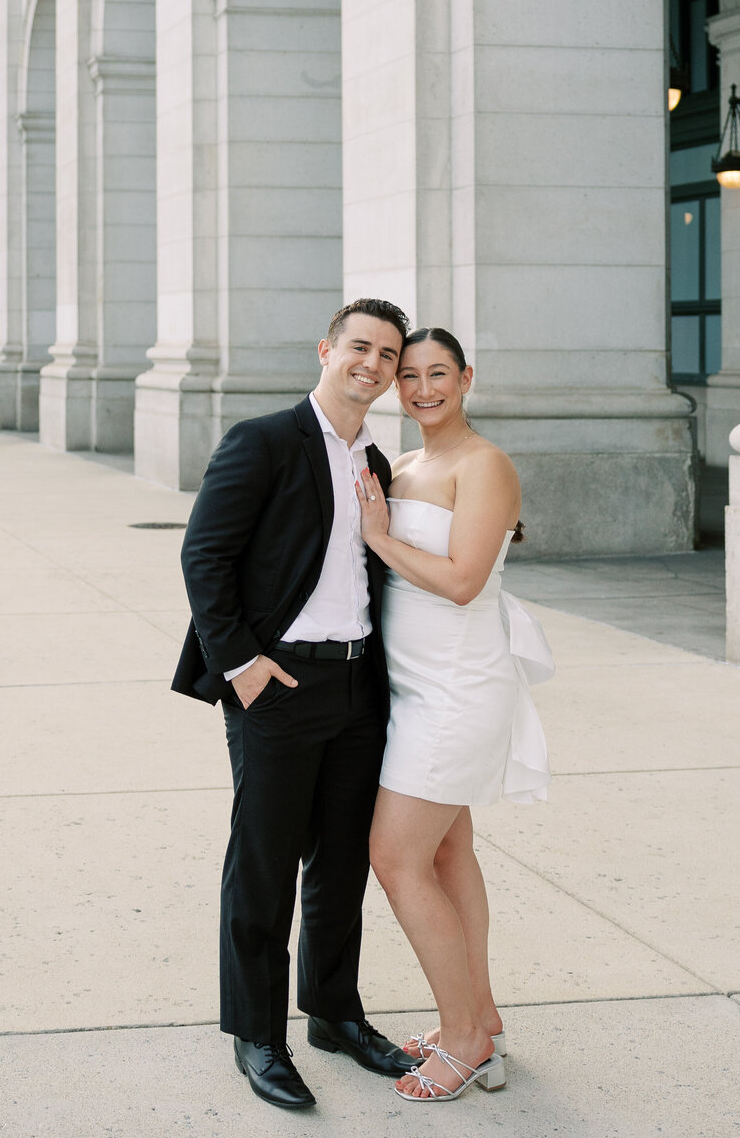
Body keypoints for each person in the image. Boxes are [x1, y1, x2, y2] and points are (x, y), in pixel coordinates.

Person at [173, 299, 417, 1110]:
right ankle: (258, 1035)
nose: (373, 364)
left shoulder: (376, 462)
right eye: (360, 347)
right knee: (266, 863)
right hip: (276, 684)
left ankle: (333, 1013)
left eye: (388, 354)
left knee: (343, 862)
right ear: (326, 349)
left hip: (357, 684)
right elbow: (205, 554)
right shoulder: (265, 440)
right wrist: (240, 664)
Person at [357, 326, 554, 1104]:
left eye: (438, 373)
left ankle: (464, 1038)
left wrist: (378, 535)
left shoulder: (485, 465)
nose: (422, 388)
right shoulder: (403, 464)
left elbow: (466, 579)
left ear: (467, 378)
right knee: (444, 855)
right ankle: (483, 1019)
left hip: (458, 688)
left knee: (395, 858)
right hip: (410, 688)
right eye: (408, 376)